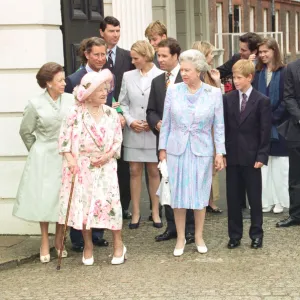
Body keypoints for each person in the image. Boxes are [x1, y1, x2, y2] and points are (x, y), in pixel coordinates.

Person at [159, 49, 225, 256]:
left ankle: (198, 236)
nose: (184, 73)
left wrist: (219, 152)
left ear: (199, 70)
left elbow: (219, 125)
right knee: (178, 195)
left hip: (202, 149)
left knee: (199, 194)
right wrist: (162, 150)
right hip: (176, 149)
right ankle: (180, 237)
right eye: (182, 69)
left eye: (187, 70)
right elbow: (167, 122)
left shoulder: (213, 93)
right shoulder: (173, 90)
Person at [58, 70, 125, 266]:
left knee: (111, 204)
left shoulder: (111, 113)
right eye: (99, 89)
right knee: (84, 207)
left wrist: (106, 156)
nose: (105, 93)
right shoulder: (74, 114)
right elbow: (63, 142)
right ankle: (88, 246)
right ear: (88, 93)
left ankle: (118, 244)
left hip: (106, 166)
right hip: (82, 167)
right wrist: (70, 160)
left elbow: (117, 140)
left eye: (106, 88)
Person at [13, 62, 74, 263]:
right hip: (43, 155)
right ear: (48, 83)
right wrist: (36, 151)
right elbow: (25, 131)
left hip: (65, 155)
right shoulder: (35, 104)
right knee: (44, 198)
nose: (65, 83)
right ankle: (44, 241)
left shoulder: (71, 100)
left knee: (61, 197)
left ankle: (59, 238)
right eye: (60, 80)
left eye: (64, 79)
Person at [146, 38, 195, 243]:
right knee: (167, 182)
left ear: (176, 56)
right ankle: (171, 226)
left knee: (186, 184)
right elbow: (151, 110)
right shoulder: (157, 81)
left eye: (165, 56)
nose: (161, 59)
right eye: (159, 55)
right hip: (164, 142)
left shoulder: (186, 80)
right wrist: (157, 123)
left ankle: (190, 228)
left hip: (184, 142)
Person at [64, 37, 110, 252]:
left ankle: (98, 232)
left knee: (100, 193)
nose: (101, 58)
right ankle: (79, 238)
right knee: (82, 194)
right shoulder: (74, 79)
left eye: (104, 54)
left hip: (102, 140)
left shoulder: (108, 76)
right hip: (82, 144)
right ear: (87, 54)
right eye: (97, 54)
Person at [223, 59, 272, 250]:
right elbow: (225, 128)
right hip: (233, 156)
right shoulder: (228, 99)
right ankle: (234, 235)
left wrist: (261, 155)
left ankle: (256, 234)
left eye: (239, 77)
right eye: (234, 77)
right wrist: (223, 152)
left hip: (252, 158)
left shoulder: (261, 101)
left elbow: (264, 131)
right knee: (233, 199)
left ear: (250, 77)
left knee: (254, 198)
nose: (235, 81)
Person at [119, 40, 163, 229]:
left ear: (146, 56)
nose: (133, 61)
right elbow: (122, 103)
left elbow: (163, 104)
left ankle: (155, 211)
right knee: (134, 171)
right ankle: (135, 212)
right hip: (134, 130)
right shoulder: (128, 76)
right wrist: (130, 121)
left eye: (136, 58)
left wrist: (153, 122)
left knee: (154, 171)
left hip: (153, 131)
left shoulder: (161, 75)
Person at [100, 16, 135, 220]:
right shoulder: (96, 55)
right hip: (101, 119)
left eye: (118, 31)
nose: (115, 34)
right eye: (111, 31)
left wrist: (123, 113)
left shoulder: (127, 56)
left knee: (124, 164)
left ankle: (124, 205)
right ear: (102, 32)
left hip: (122, 119)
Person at [253, 38, 289, 214]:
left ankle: (280, 201)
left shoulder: (284, 72)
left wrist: (273, 118)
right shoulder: (258, 72)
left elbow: (287, 98)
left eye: (266, 51)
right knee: (263, 167)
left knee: (280, 167)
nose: (263, 55)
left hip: (279, 125)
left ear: (274, 50)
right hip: (260, 126)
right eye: (260, 52)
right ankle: (265, 201)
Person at [192, 40, 223, 214]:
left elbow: (218, 101)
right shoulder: (194, 75)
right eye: (210, 53)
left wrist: (217, 82)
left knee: (211, 165)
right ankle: (201, 198)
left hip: (211, 126)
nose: (213, 56)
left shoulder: (212, 75)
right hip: (198, 127)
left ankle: (210, 200)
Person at [276, 58, 300, 227]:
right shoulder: (292, 68)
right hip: (297, 129)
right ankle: (296, 215)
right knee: (296, 177)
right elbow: (288, 97)